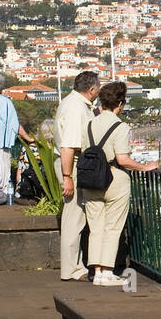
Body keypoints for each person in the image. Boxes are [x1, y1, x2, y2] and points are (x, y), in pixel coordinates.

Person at [81, 81, 159, 287]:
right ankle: (107, 272)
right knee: (113, 227)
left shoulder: (89, 124)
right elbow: (122, 159)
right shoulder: (120, 126)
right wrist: (144, 167)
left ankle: (96, 271)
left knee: (95, 227)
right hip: (114, 178)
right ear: (121, 104)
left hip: (91, 180)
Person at [55, 71, 100, 281]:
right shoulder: (76, 109)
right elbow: (68, 146)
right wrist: (67, 176)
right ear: (92, 89)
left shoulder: (71, 103)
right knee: (74, 217)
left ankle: (75, 265)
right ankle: (71, 269)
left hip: (71, 164)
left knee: (74, 216)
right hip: (72, 164)